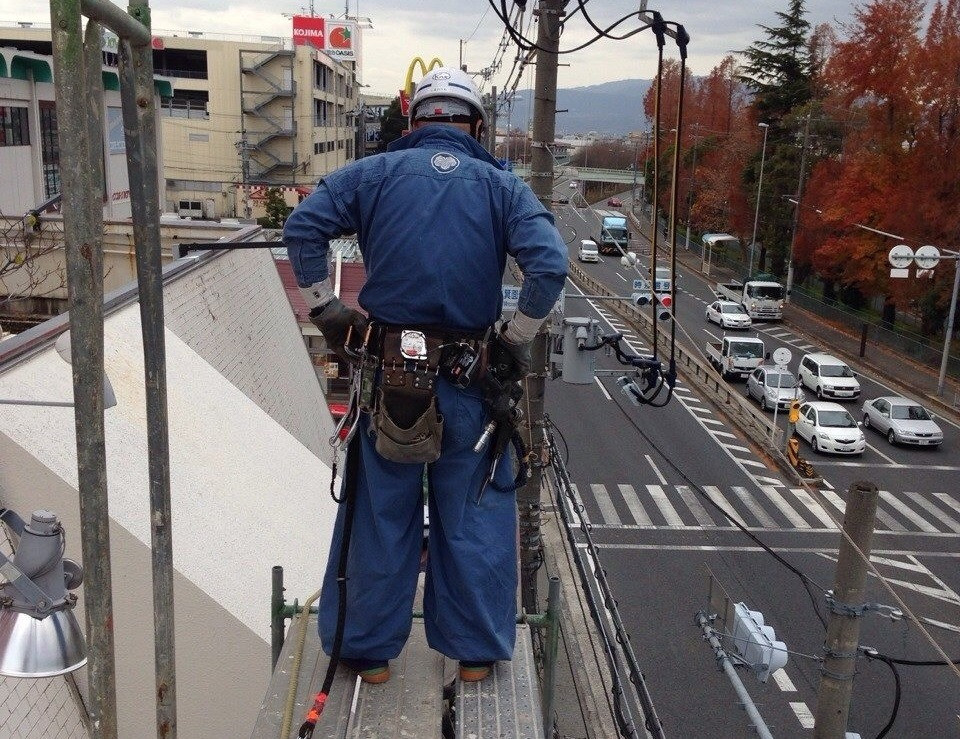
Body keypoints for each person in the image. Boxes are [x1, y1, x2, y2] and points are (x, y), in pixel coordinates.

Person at [284, 66, 567, 685]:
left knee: (382, 511)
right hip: (470, 381)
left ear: (414, 121)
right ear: (476, 126)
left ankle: (367, 654)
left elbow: (302, 228)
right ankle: (472, 655)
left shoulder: (372, 176)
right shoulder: (502, 188)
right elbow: (548, 266)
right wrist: (515, 342)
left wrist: (328, 310)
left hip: (391, 378)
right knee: (470, 512)